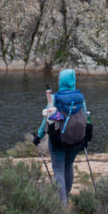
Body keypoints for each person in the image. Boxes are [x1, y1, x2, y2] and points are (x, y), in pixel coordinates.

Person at [33, 68, 92, 205]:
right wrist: (85, 138)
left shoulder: (54, 98)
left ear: (61, 81)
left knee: (58, 169)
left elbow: (46, 121)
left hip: (58, 140)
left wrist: (39, 136)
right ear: (73, 81)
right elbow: (85, 117)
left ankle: (62, 203)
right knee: (68, 166)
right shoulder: (80, 98)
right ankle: (67, 197)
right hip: (76, 139)